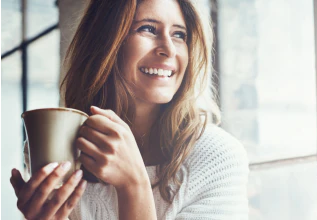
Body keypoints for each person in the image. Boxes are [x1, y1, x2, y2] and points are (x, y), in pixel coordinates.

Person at [9, 0, 249, 219]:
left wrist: (134, 185)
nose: (169, 49)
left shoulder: (218, 158)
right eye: (148, 29)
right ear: (105, 41)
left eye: (179, 34)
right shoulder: (58, 149)